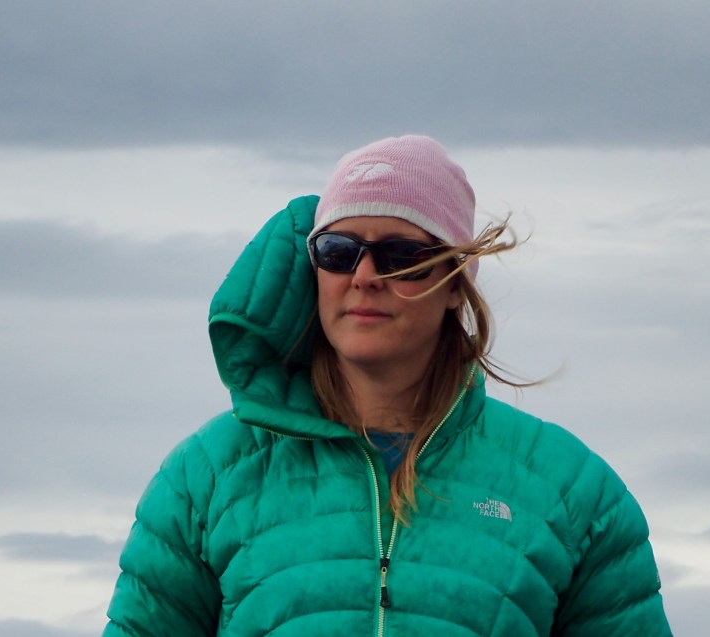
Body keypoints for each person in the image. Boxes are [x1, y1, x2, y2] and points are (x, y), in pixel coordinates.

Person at [103, 135, 673, 636]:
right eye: (338, 251)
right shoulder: (206, 477)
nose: (366, 277)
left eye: (403, 256)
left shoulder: (572, 492)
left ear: (456, 284)